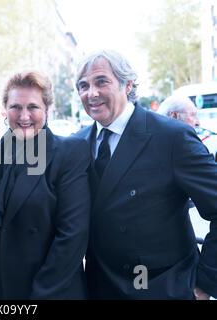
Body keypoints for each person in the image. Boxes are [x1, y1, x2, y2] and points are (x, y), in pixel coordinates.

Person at [75, 49, 217, 299]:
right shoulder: (76, 144)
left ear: (127, 84)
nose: (91, 93)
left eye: (101, 82)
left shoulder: (172, 137)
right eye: (83, 85)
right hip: (100, 289)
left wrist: (203, 285)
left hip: (165, 288)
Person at [0, 71, 91, 299]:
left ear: (47, 110)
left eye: (33, 107)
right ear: (5, 110)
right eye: (16, 106)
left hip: (49, 289)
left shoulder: (69, 153)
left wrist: (42, 293)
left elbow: (72, 234)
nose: (24, 116)